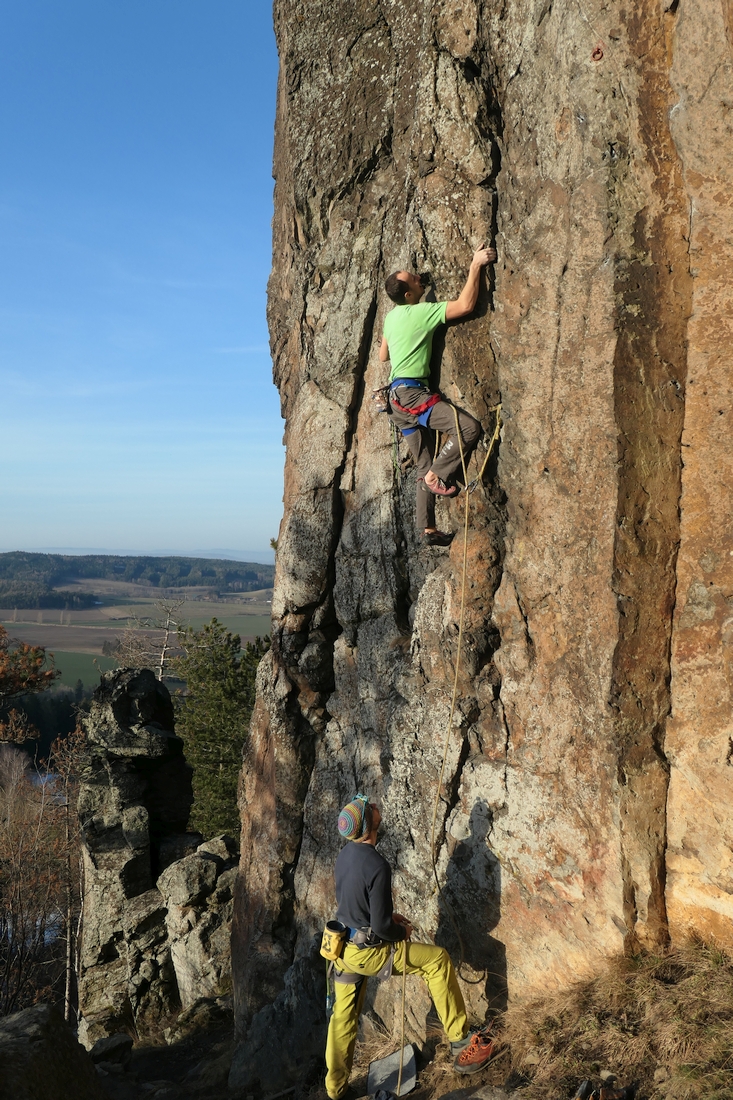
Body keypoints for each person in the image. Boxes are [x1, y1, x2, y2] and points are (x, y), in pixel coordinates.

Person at [324, 794, 495, 1099]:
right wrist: (400, 930)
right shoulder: (376, 864)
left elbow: (357, 903)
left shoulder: (344, 855)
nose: (375, 806)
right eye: (371, 808)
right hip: (371, 952)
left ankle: (335, 1088)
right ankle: (459, 1040)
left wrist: (386, 918)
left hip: (343, 949)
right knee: (438, 961)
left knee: (343, 1018)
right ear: (367, 825)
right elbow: (381, 929)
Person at [379, 245, 496, 545]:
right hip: (414, 396)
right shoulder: (422, 313)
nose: (420, 278)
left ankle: (428, 529)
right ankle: (437, 476)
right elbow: (466, 305)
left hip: (396, 402)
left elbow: (383, 356)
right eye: (415, 279)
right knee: (467, 429)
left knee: (422, 462)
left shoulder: (392, 318)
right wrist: (475, 266)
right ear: (408, 295)